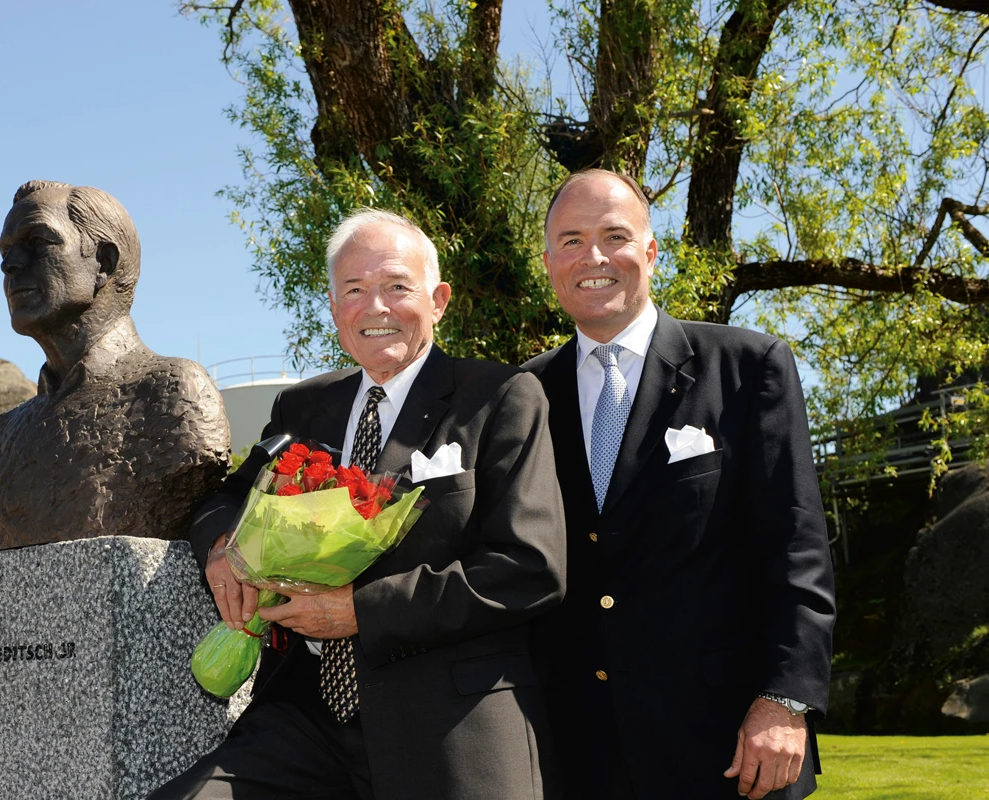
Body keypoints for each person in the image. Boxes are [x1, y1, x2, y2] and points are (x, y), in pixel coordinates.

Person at [151, 209, 566, 800]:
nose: (376, 307)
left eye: (397, 286)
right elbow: (223, 500)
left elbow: (529, 569)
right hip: (304, 720)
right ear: (333, 308)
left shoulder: (500, 396)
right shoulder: (301, 407)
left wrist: (360, 612)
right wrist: (223, 550)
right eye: (354, 290)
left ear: (438, 299)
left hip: (448, 722)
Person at [523, 169, 837, 799]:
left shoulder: (749, 367)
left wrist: (785, 702)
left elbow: (796, 550)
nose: (595, 258)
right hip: (577, 751)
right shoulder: (522, 395)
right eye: (572, 240)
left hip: (728, 748)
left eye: (615, 235)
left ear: (650, 250)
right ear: (551, 259)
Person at [0, 180, 229, 551]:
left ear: (104, 262)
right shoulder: (1, 435)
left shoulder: (173, 396)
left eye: (38, 242)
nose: (10, 265)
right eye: (6, 251)